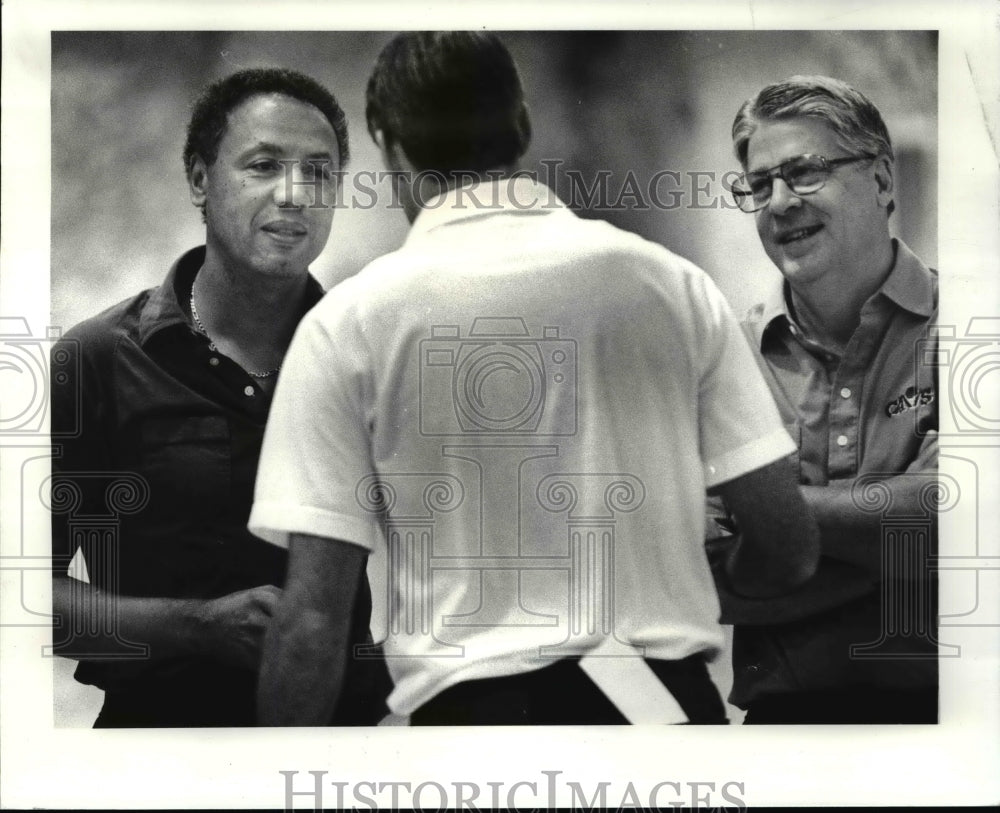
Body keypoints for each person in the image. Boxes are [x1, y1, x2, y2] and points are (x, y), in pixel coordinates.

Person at [250, 32, 820, 727]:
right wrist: (672, 582)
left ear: (388, 145)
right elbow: (788, 547)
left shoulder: (346, 325)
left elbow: (311, 622)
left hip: (475, 738)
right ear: (520, 126)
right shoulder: (673, 286)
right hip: (665, 723)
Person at [50, 67, 389, 727]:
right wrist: (197, 626)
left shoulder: (371, 353)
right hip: (159, 755)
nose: (295, 194)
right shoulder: (96, 358)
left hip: (343, 755)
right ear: (200, 179)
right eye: (263, 165)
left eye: (319, 173)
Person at [722, 75, 939, 723]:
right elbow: (701, 571)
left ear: (881, 181)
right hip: (783, 733)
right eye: (760, 185)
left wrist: (771, 520)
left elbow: (968, 519)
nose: (779, 202)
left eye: (805, 172)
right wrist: (902, 545)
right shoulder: (725, 362)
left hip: (956, 726)